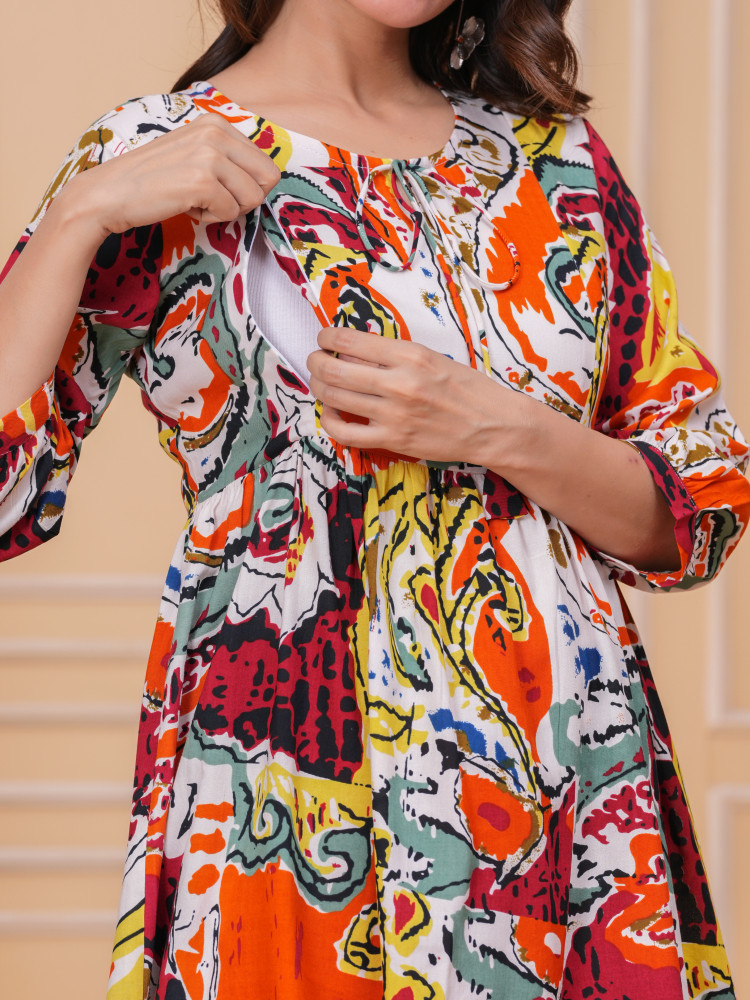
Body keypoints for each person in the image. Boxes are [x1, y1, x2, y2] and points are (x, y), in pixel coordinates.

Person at [0, 0, 748, 996]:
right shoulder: (165, 154)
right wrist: (79, 214)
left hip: (570, 797)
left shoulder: (555, 162)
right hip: (294, 797)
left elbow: (699, 509)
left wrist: (499, 428)